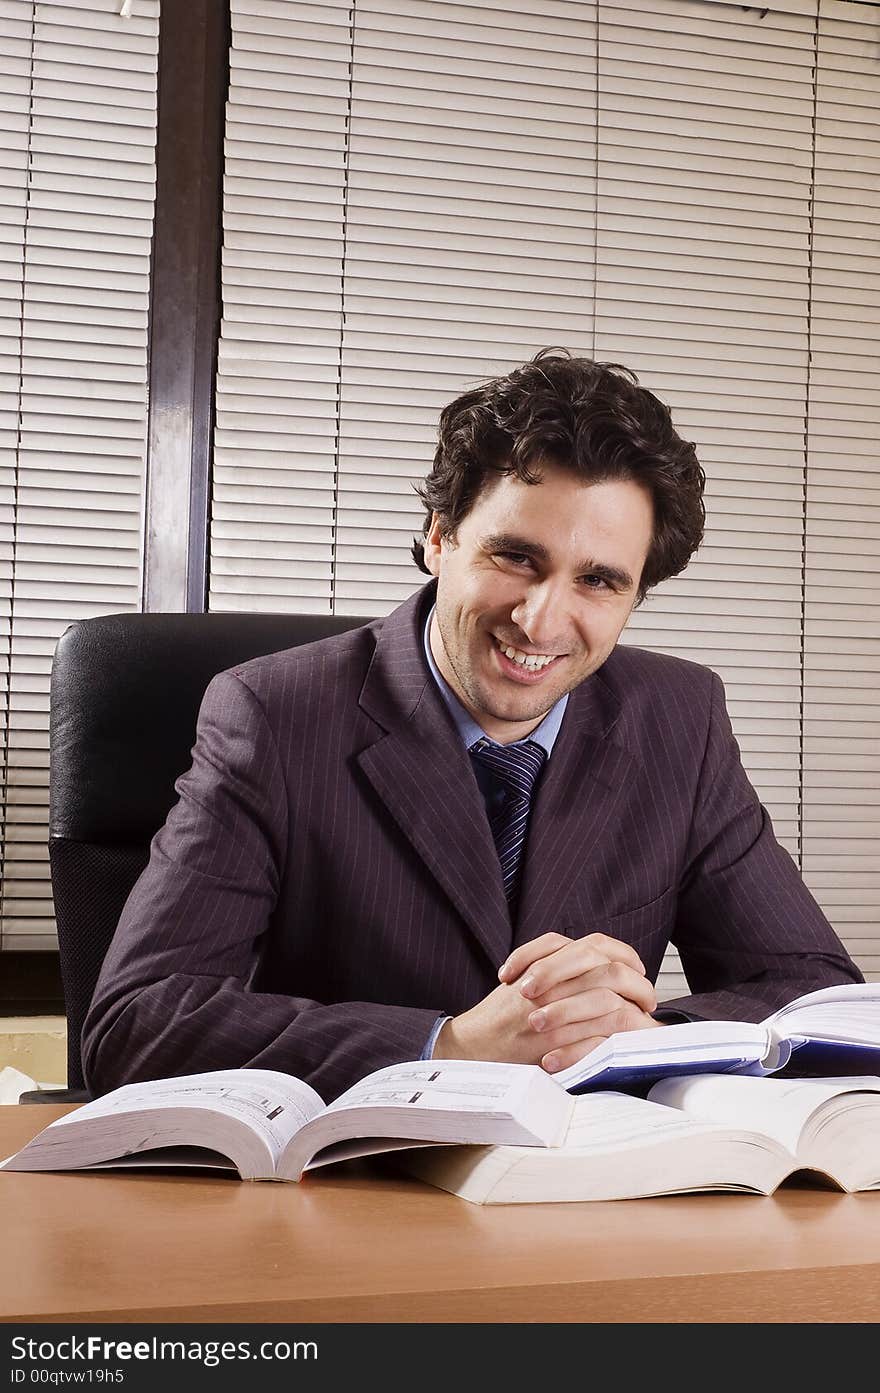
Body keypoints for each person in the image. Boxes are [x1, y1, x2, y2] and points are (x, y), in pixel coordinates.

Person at [81, 351, 862, 1101]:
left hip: (580, 1195)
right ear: (440, 537)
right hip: (344, 1193)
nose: (541, 619)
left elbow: (817, 998)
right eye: (517, 557)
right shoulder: (273, 716)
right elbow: (136, 1021)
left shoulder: (678, 719)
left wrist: (635, 1035)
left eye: (597, 580)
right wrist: (447, 1045)